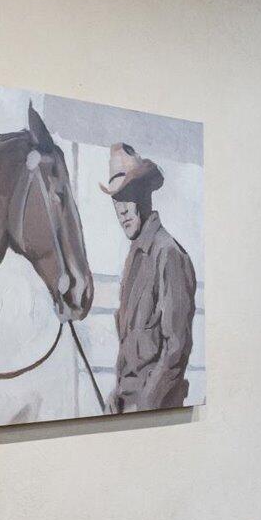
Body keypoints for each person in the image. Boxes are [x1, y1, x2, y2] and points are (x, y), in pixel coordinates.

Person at [103, 144, 196, 411]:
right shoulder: (134, 258)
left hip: (157, 410)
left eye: (127, 196)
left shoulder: (168, 255)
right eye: (115, 200)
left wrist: (144, 405)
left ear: (145, 195)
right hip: (127, 407)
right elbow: (129, 345)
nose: (121, 210)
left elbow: (175, 350)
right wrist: (117, 394)